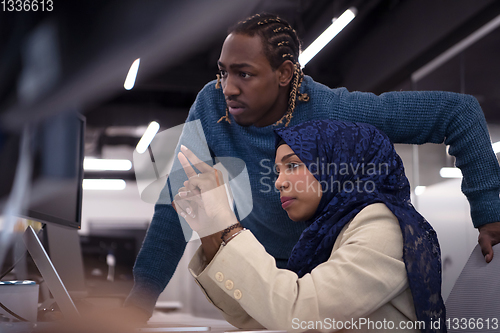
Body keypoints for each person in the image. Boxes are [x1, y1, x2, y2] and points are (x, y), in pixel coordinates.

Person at [123, 13, 500, 320]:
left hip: (326, 269)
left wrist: (489, 213)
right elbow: (174, 207)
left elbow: (459, 113)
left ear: (285, 74)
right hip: (260, 267)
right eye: (223, 72)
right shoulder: (212, 105)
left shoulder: (334, 113)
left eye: (244, 74)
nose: (227, 88)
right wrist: (138, 305)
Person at [176, 119, 445, 332]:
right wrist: (210, 232)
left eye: (292, 165)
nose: (279, 182)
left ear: (337, 164)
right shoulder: (326, 233)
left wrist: (227, 223)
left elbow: (299, 315)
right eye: (278, 171)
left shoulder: (383, 223)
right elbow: (258, 316)